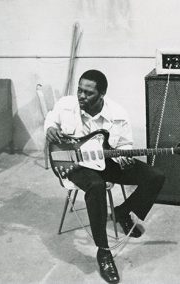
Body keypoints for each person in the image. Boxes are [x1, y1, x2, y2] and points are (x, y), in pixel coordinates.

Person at [44, 69, 165, 284]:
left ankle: (122, 212)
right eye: (80, 90)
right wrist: (50, 129)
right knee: (96, 186)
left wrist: (124, 157)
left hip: (105, 159)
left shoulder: (117, 113)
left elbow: (125, 144)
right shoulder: (65, 104)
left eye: (88, 93)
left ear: (102, 94)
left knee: (155, 176)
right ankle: (103, 251)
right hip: (72, 162)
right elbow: (51, 120)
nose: (81, 96)